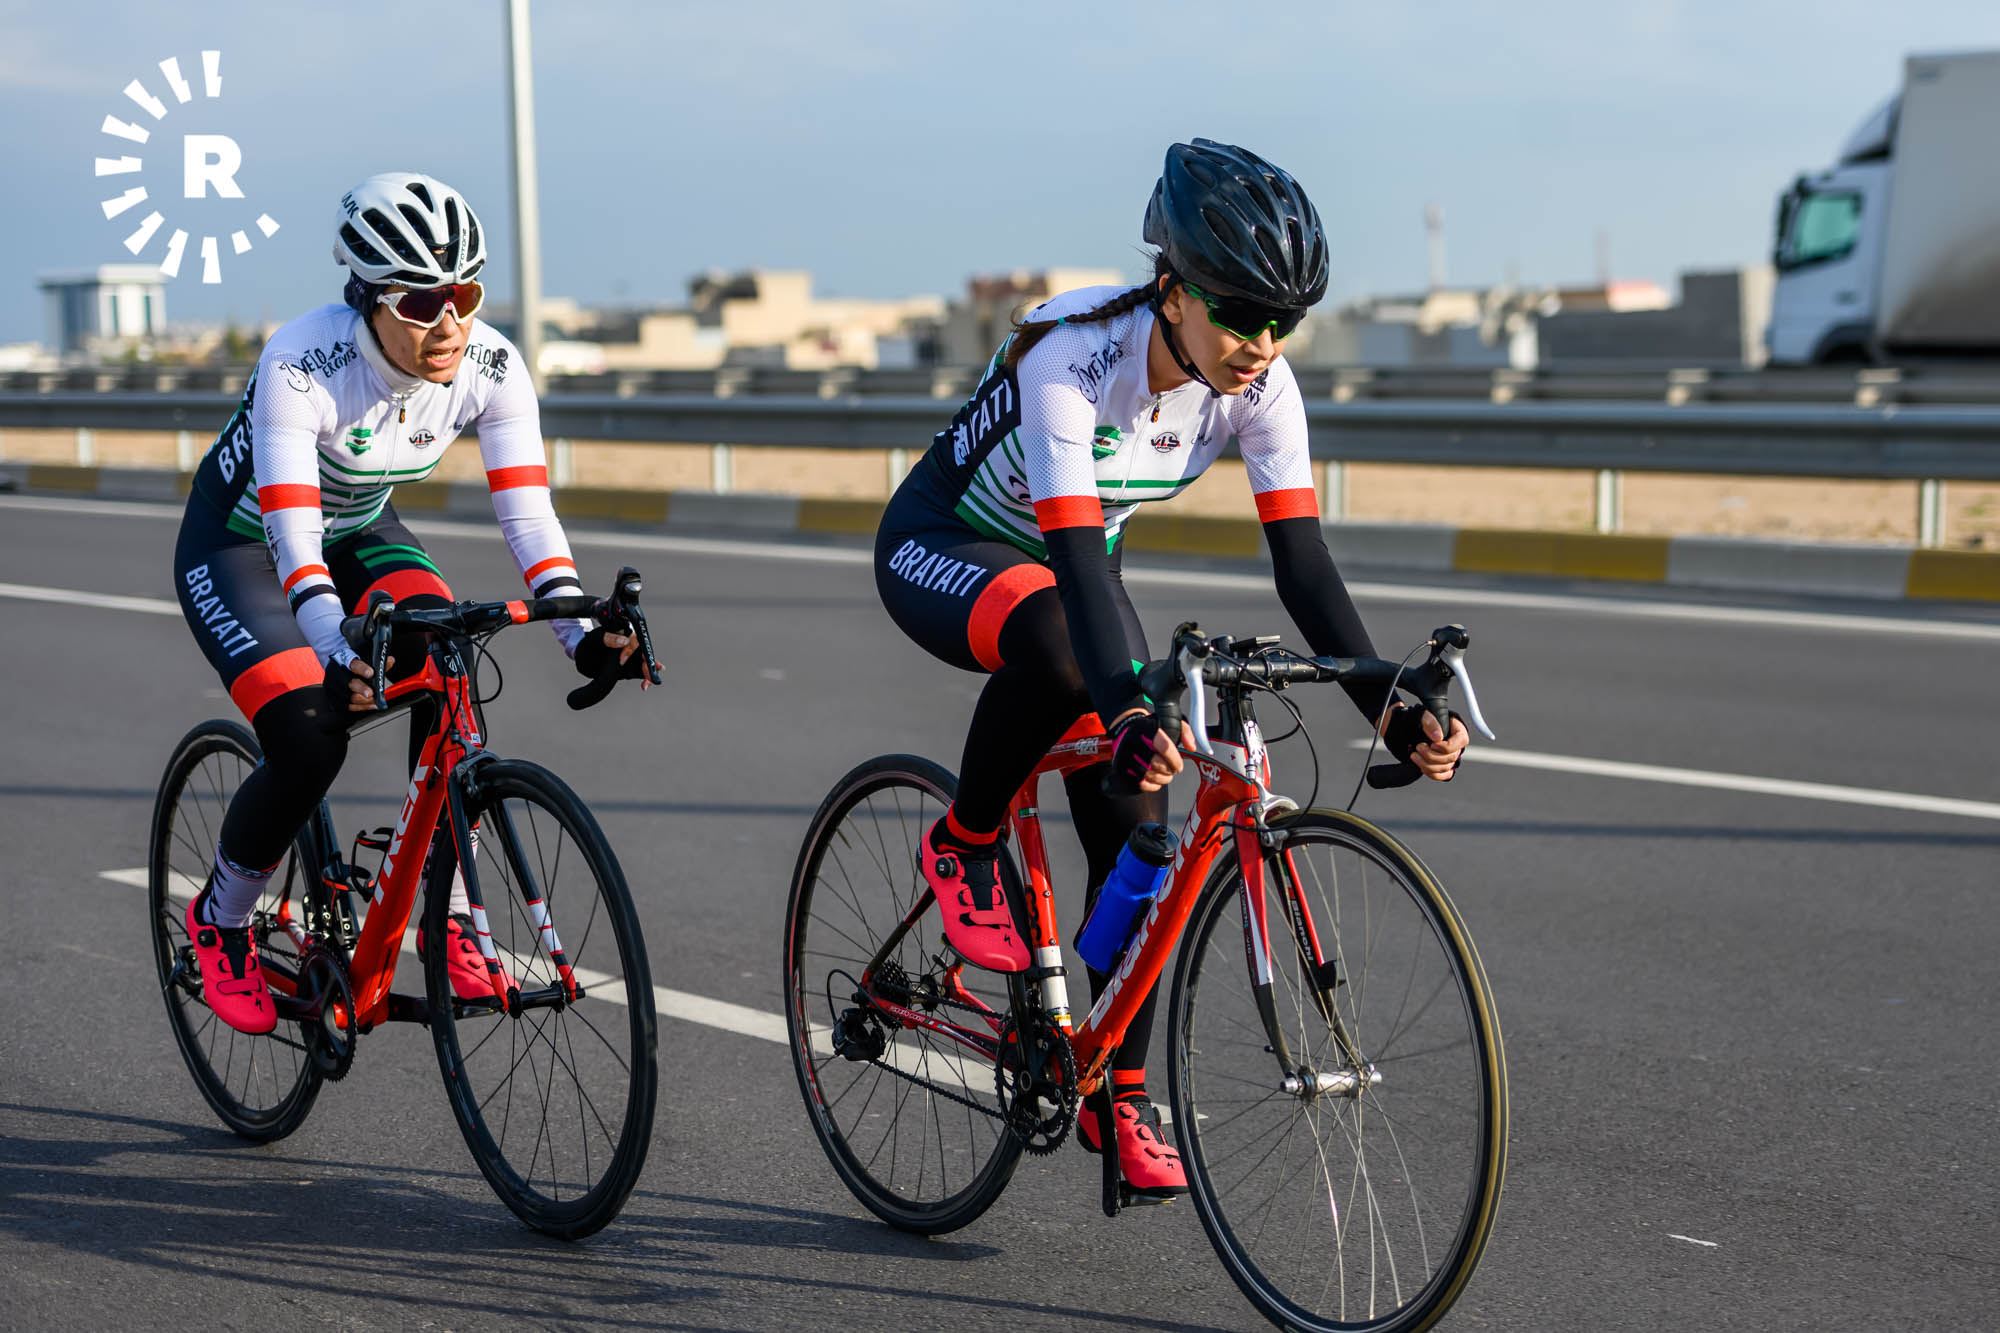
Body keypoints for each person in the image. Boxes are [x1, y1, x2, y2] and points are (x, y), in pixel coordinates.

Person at [874, 140, 1469, 1195]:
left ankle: (1117, 1090)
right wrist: (1124, 705)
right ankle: (963, 841)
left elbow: (1303, 566)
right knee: (1074, 657)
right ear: (1174, 289)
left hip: (1076, 571)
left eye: (1284, 322)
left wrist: (1387, 701)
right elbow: (1069, 562)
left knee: (1143, 824)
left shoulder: (1260, 384)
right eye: (1240, 314)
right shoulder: (1070, 355)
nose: (1261, 344)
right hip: (949, 542)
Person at [173, 172, 653, 1035]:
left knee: (445, 663)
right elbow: (292, 534)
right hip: (244, 544)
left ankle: (453, 913)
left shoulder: (492, 365)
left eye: (464, 295)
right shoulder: (300, 364)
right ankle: (222, 916)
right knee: (310, 733)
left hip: (359, 525)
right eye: (423, 302)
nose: (449, 323)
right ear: (367, 298)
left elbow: (527, 514)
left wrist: (581, 631)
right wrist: (335, 648)